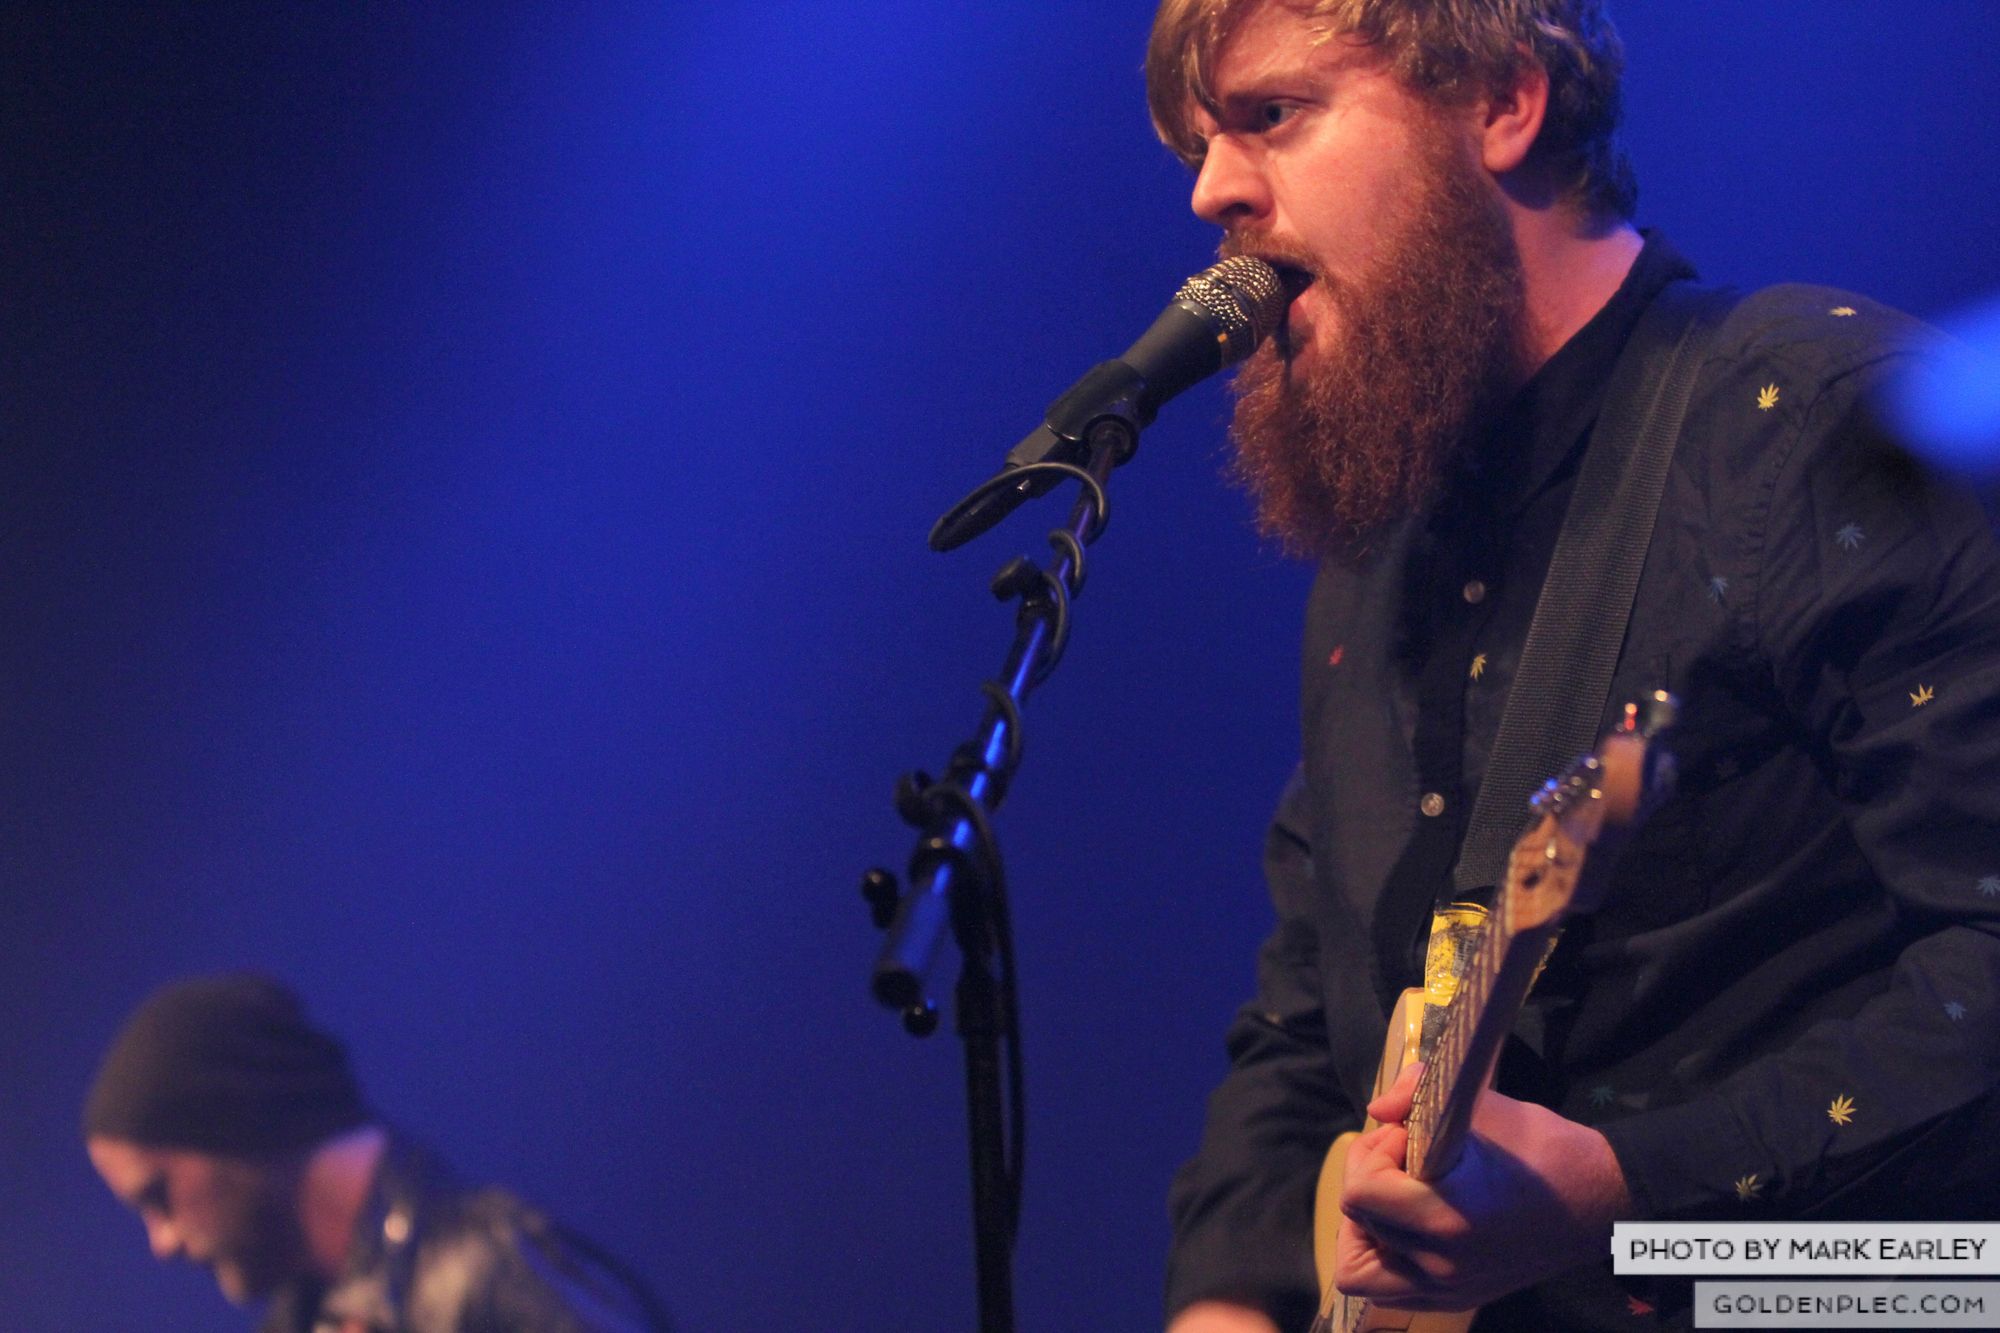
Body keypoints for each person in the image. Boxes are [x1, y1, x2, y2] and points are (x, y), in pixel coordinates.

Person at [1143, 2, 2000, 1330]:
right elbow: (1312, 1014)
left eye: (1272, 115)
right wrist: (1230, 1299)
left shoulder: (1811, 427)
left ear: (1502, 101)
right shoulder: (1381, 552)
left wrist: (1625, 1192)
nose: (1213, 191)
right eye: (1200, 144)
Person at [83, 973, 671, 1332]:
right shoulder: (310, 1316)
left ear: (238, 1123)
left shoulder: (493, 1272)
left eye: (158, 1196)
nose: (161, 1243)